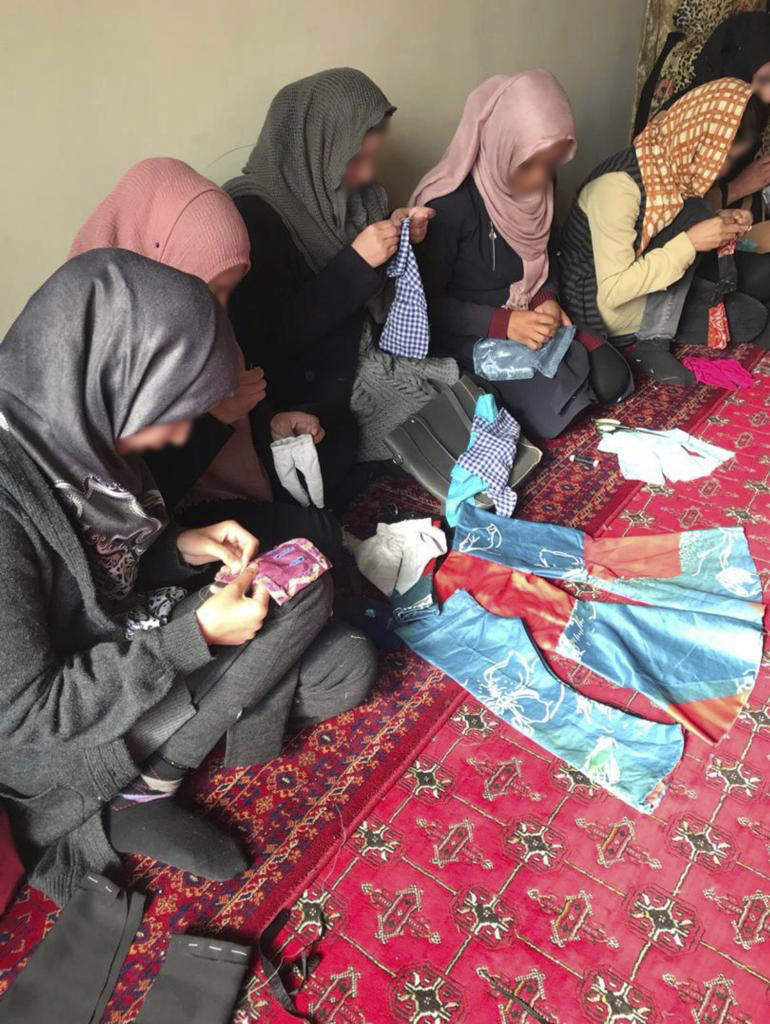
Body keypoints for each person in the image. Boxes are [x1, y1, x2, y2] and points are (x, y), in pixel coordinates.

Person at [0, 249, 377, 905]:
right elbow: (31, 718)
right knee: (307, 595)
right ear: (121, 378)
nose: (178, 433)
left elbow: (107, 581)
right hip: (67, 741)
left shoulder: (82, 431)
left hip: (127, 645)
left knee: (346, 663)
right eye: (171, 408)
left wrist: (182, 548)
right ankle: (140, 788)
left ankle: (195, 730)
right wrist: (194, 634)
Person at [70, 158, 340, 559]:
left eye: (230, 289)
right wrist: (217, 419)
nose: (221, 309)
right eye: (214, 290)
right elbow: (127, 502)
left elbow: (239, 403)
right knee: (313, 544)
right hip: (160, 525)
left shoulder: (196, 307)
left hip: (223, 474)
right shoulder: (97, 346)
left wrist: (271, 422)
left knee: (335, 443)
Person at [225, 67, 458, 491]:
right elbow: (268, 340)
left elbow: (384, 302)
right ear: (313, 151)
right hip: (305, 381)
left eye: (371, 159)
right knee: (411, 434)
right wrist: (356, 262)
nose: (367, 175)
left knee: (458, 411)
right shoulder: (251, 216)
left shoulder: (359, 199)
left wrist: (401, 234)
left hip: (361, 353)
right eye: (355, 161)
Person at [410, 71, 632, 440]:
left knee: (614, 376)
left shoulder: (541, 187)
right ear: (499, 144)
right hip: (473, 335)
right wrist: (505, 325)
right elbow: (426, 307)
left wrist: (546, 298)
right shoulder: (449, 206)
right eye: (528, 165)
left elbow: (548, 255)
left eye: (549, 165)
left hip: (531, 319)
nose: (538, 180)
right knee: (562, 407)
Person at [560, 78, 770, 387]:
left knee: (759, 292)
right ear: (698, 136)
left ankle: (663, 330)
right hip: (606, 305)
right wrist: (691, 242)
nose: (722, 169)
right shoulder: (618, 187)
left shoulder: (670, 166)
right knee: (750, 313)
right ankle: (652, 343)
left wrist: (723, 218)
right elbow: (614, 290)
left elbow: (666, 226)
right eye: (723, 157)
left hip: (660, 283)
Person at [665, 11, 770, 301]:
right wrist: (736, 189)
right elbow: (666, 217)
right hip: (673, 253)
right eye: (764, 80)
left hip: (725, 232)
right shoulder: (684, 120)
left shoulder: (753, 117)